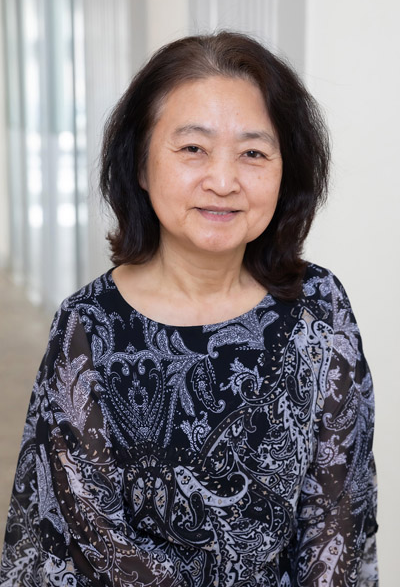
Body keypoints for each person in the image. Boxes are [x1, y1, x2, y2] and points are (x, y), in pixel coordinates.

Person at [0, 31, 378, 586]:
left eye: (253, 153)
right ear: (141, 166)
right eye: (193, 148)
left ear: (285, 172)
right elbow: (82, 543)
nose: (223, 181)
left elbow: (338, 528)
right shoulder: (87, 326)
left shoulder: (321, 309)